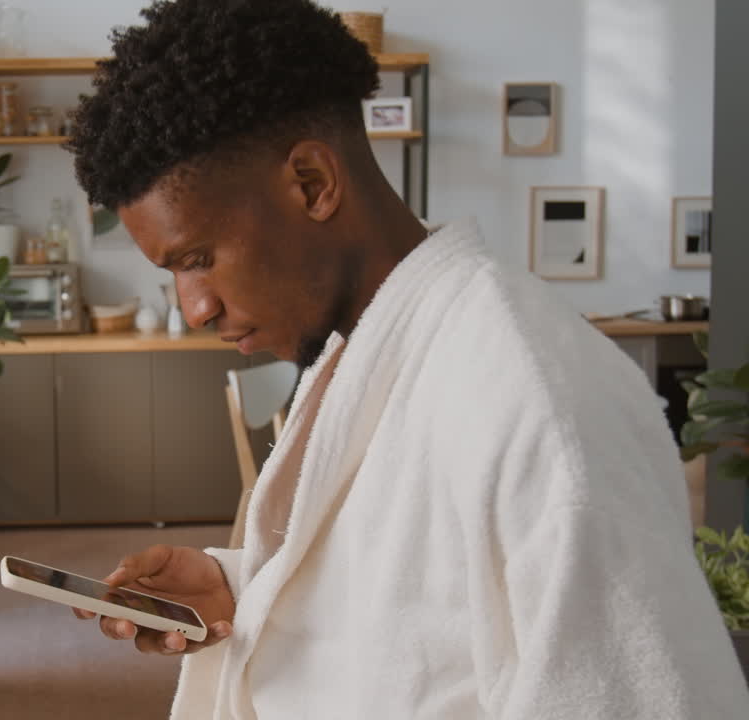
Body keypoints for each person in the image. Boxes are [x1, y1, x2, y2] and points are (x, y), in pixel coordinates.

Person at [64, 1, 749, 717]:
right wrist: (244, 587)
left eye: (198, 259)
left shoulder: (539, 404)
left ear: (312, 184)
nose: (195, 307)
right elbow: (417, 607)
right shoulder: (369, 345)